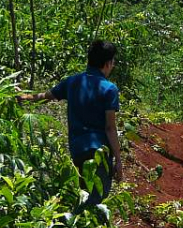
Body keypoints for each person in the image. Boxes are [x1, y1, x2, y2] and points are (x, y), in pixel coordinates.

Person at [18, 40, 121, 206]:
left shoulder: (73, 81)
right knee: (96, 199)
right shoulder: (109, 89)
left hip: (77, 150)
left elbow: (46, 96)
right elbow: (110, 128)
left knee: (82, 195)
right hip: (99, 151)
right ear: (108, 63)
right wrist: (118, 159)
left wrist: (26, 97)